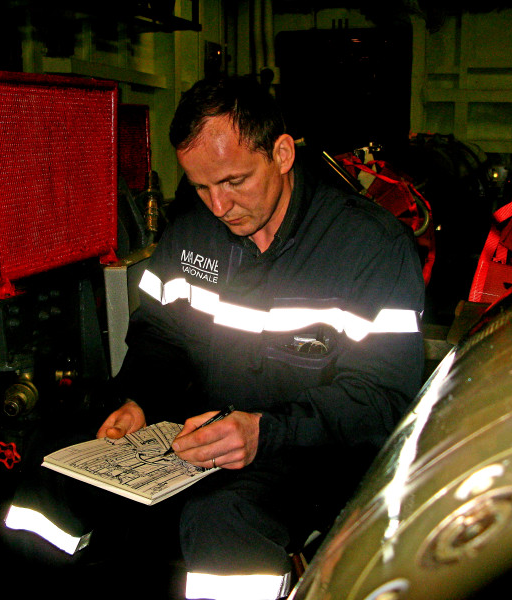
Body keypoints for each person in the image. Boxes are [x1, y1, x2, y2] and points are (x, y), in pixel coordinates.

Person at [95, 74, 425, 597]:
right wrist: (139, 398)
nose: (219, 207)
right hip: (202, 439)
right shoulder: (190, 231)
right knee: (63, 472)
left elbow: (382, 399)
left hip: (315, 453)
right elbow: (162, 334)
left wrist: (264, 432)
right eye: (201, 187)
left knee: (224, 521)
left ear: (283, 153)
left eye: (233, 181)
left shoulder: (371, 249)